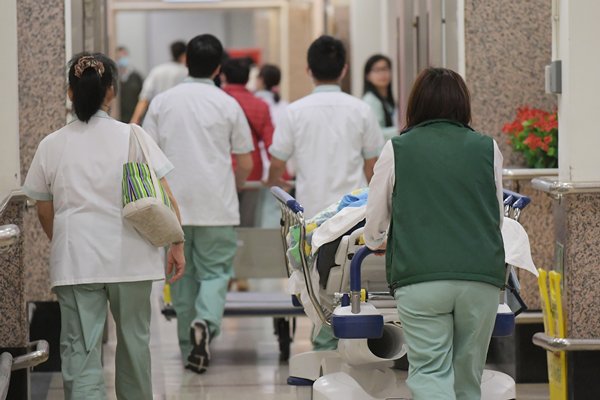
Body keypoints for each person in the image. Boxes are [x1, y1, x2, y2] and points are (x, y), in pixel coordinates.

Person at [22, 52, 185, 399]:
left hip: (77, 261)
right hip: (132, 258)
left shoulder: (52, 144)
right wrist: (176, 243)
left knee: (80, 350)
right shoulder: (133, 136)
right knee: (135, 344)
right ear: (111, 90)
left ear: (70, 92)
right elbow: (166, 197)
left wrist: (64, 239)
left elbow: (44, 209)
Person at [364, 67, 505, 400]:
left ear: (416, 104)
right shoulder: (488, 148)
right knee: (468, 378)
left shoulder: (397, 148)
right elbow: (496, 216)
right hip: (480, 277)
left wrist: (375, 241)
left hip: (421, 277)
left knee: (430, 373)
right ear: (463, 104)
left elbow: (376, 216)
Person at [143, 34, 254, 374]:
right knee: (216, 272)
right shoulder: (227, 104)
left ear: (186, 62)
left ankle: (189, 348)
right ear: (219, 67)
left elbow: (146, 155)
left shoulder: (162, 103)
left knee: (180, 276)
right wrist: (235, 185)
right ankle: (205, 322)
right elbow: (245, 161)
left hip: (171, 207)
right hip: (216, 205)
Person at [267, 35, 384, 350]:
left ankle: (324, 346)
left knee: (317, 286)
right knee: (351, 281)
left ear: (308, 70)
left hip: (311, 217)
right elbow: (373, 167)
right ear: (344, 69)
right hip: (352, 217)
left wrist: (274, 183)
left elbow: (277, 162)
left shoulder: (295, 112)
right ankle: (351, 346)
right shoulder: (361, 110)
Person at [221, 57, 274, 227]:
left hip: (221, 171)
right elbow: (271, 144)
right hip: (252, 171)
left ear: (223, 76)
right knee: (247, 225)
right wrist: (280, 175)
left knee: (222, 222)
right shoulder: (260, 105)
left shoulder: (216, 102)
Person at [130, 40, 188, 124]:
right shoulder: (186, 72)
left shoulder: (157, 70)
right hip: (179, 117)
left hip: (158, 117)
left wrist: (135, 120)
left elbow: (144, 98)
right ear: (184, 55)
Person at [362, 54, 398, 141]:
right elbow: (375, 133)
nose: (382, 74)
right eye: (377, 70)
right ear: (368, 76)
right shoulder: (370, 100)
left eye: (385, 69)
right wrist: (401, 130)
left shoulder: (387, 100)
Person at [115, 46, 143, 123]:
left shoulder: (136, 77)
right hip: (118, 119)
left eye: (123, 56)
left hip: (134, 119)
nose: (121, 59)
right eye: (119, 57)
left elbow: (143, 98)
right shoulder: (114, 78)